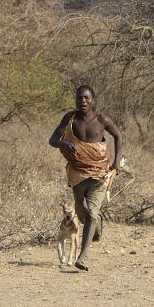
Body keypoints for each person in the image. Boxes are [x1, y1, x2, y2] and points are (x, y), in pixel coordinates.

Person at [48, 85, 124, 272]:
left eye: (86, 98)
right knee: (81, 213)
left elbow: (118, 136)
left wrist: (116, 162)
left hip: (99, 172)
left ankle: (82, 257)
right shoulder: (70, 118)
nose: (82, 101)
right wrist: (65, 143)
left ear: (93, 100)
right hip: (77, 172)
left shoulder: (102, 119)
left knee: (91, 213)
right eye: (79, 98)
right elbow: (52, 140)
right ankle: (96, 225)